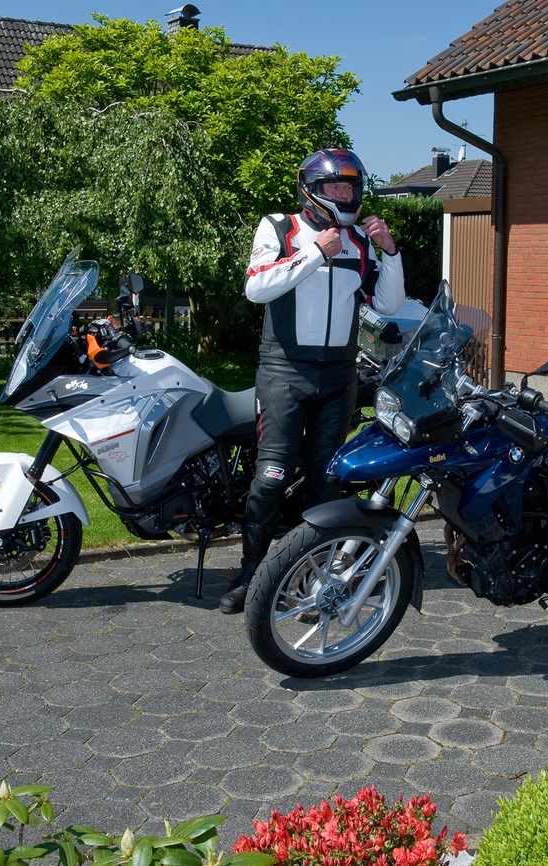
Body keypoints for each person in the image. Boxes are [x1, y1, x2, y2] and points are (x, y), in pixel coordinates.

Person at [218, 147, 405, 614]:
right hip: (285, 370)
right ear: (313, 190)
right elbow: (256, 287)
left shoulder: (360, 239)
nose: (345, 194)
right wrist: (313, 253)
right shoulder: (279, 227)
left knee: (326, 481)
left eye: (351, 187)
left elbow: (387, 304)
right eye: (335, 187)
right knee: (270, 478)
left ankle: (309, 574)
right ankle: (252, 575)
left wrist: (391, 252)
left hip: (339, 374)